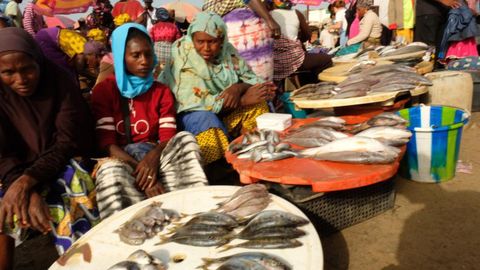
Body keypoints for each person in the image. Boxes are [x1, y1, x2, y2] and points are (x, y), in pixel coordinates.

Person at [0, 27, 97, 268]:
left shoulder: (60, 81)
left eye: (27, 69)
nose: (20, 80)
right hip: (10, 170)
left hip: (58, 160)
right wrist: (24, 189)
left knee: (76, 183)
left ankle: (82, 261)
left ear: (38, 62)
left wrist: (28, 180)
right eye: (8, 72)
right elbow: (2, 155)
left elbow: (67, 142)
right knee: (4, 207)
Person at [91, 23, 207, 219]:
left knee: (186, 139)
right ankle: (127, 226)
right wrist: (145, 175)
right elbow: (107, 144)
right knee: (109, 171)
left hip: (155, 155)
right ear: (121, 57)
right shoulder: (105, 91)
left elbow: (167, 138)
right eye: (135, 56)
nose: (144, 61)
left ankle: (193, 211)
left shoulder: (160, 91)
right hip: (123, 161)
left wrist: (152, 160)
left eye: (148, 54)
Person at [160, 12, 275, 167]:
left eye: (212, 41)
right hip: (191, 118)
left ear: (221, 39)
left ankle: (252, 151)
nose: (206, 48)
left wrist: (238, 87)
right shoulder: (183, 54)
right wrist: (241, 100)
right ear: (192, 38)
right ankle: (216, 168)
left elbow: (251, 79)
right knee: (207, 120)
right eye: (200, 41)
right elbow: (195, 102)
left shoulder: (227, 51)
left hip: (223, 110)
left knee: (258, 105)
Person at [203, 0, 281, 81]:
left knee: (243, 73)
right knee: (256, 76)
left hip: (237, 27)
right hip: (245, 26)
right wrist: (270, 20)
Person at [268, 0, 332, 84]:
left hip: (272, 64)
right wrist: (298, 41)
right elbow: (308, 34)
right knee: (326, 59)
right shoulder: (296, 13)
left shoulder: (266, 15)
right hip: (293, 60)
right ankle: (313, 86)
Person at [150, 7, 181, 74]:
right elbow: (178, 41)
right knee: (169, 73)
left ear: (157, 16)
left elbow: (151, 41)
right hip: (170, 53)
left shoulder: (154, 27)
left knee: (156, 73)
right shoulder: (174, 27)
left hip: (157, 53)